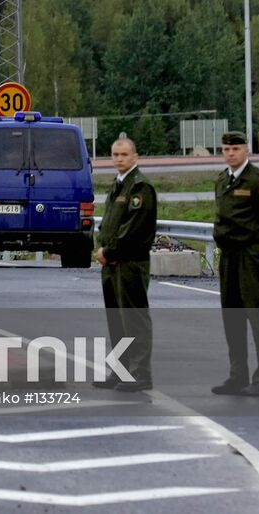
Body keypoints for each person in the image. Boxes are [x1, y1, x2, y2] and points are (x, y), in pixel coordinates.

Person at [211, 130, 259, 397]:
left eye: (236, 149)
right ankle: (237, 375)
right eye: (226, 150)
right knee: (232, 317)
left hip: (251, 257)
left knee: (258, 318)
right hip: (229, 257)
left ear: (246, 151)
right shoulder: (222, 180)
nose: (231, 153)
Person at [93, 135, 156, 392]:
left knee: (134, 320)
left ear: (135, 157)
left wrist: (109, 250)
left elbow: (134, 229)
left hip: (129, 263)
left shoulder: (140, 187)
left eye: (124, 155)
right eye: (116, 155)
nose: (119, 159)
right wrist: (102, 248)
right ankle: (120, 371)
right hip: (112, 264)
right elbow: (109, 222)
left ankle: (140, 373)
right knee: (116, 321)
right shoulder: (118, 184)